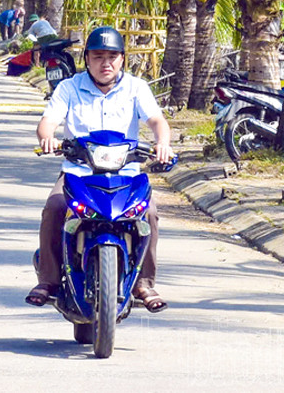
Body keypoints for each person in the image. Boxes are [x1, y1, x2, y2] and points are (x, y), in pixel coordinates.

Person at [25, 26, 174, 313]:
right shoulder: (69, 87)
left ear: (122, 60)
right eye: (98, 56)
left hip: (125, 174)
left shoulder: (136, 88)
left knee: (150, 213)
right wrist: (47, 137)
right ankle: (48, 280)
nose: (105, 63)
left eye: (112, 56)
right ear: (87, 59)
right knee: (55, 207)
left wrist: (163, 143)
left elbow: (156, 120)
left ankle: (145, 282)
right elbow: (49, 120)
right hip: (78, 172)